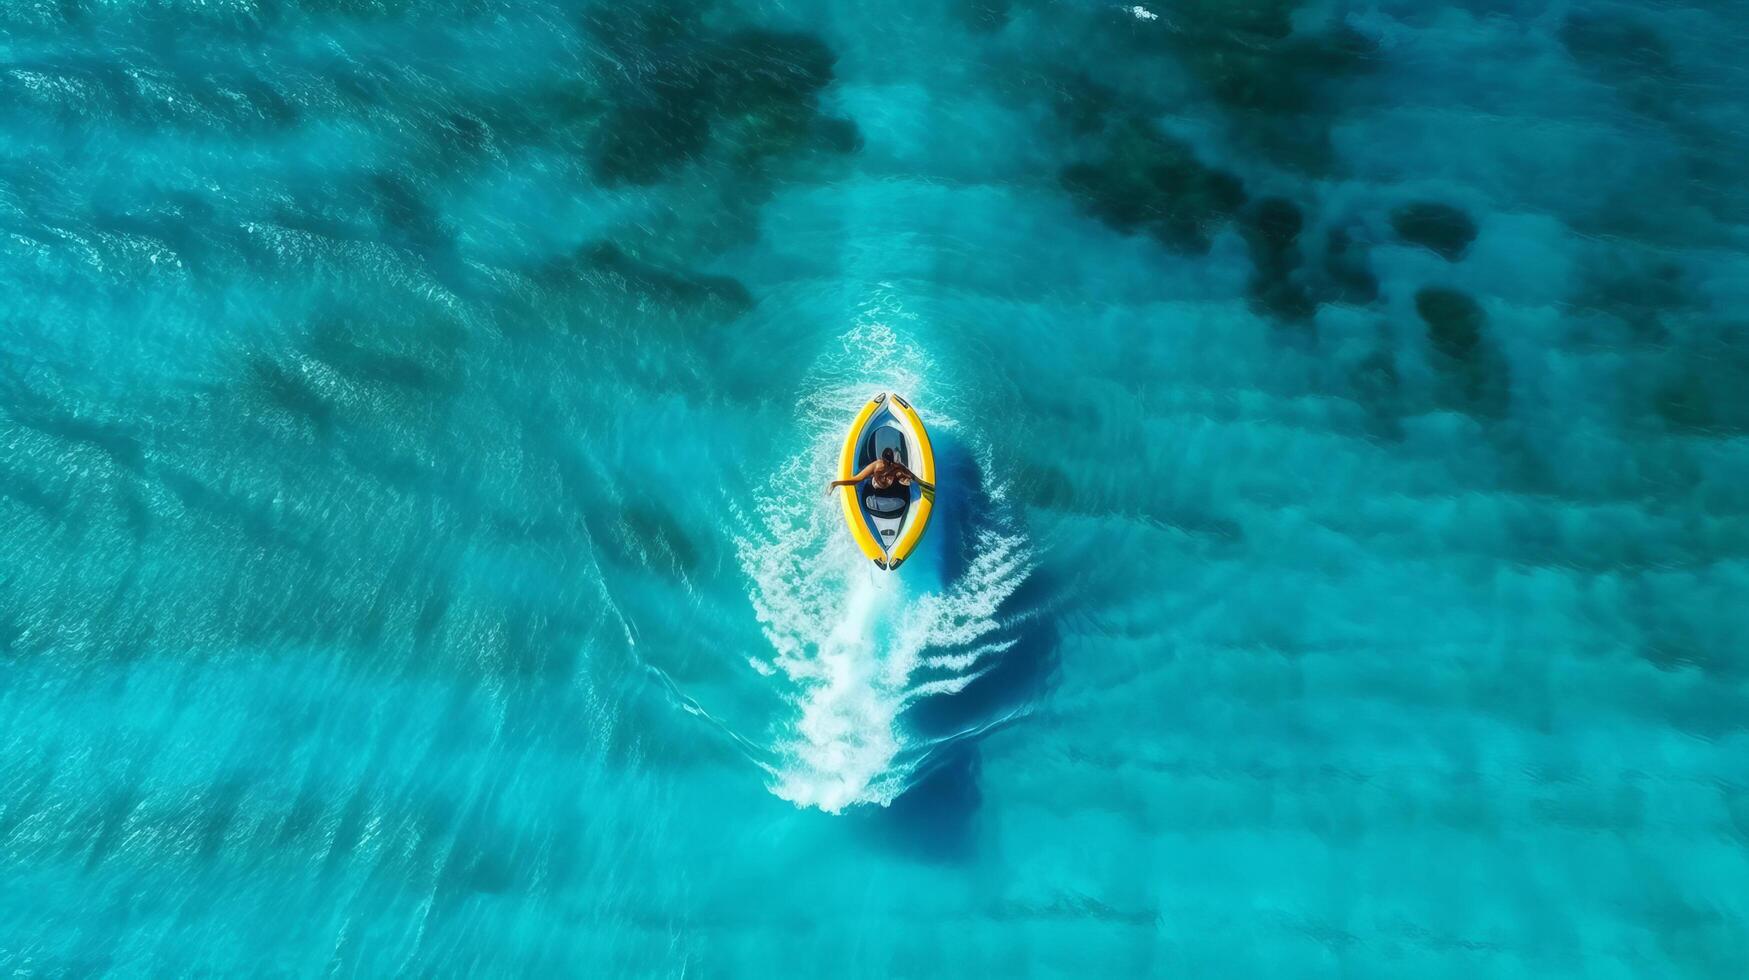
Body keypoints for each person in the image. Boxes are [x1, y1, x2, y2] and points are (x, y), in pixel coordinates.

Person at [827, 448, 934, 495]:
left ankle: (900, 481)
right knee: (865, 479)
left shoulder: (894, 467)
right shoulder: (879, 466)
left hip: (884, 485)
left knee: (903, 476)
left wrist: (925, 484)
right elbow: (857, 480)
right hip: (876, 485)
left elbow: (911, 476)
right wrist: (836, 483)